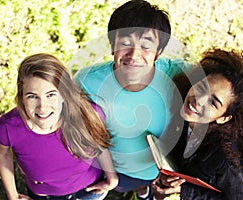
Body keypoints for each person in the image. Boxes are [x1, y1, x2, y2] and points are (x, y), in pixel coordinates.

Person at [73, 0, 191, 199]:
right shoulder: (86, 82)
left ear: (158, 52)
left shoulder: (177, 74)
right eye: (125, 43)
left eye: (146, 46)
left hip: (159, 172)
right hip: (110, 168)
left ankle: (144, 192)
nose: (134, 55)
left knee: (147, 188)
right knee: (115, 188)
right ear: (112, 45)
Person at [151, 48, 243, 200]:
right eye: (202, 87)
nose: (199, 100)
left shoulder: (227, 161)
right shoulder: (181, 103)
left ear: (224, 118)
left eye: (213, 102)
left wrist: (186, 190)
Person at [0, 53, 118, 200]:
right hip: (46, 196)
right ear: (21, 97)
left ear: (64, 94)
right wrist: (12, 196)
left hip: (90, 190)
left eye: (51, 94)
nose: (42, 108)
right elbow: (2, 154)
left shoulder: (87, 115)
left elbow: (99, 145)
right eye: (32, 96)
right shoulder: (7, 128)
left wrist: (111, 177)